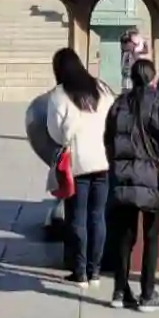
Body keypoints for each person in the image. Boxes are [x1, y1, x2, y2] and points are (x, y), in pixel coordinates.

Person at [103, 57, 159, 312]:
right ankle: (147, 293)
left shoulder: (119, 104)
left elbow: (108, 138)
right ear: (153, 78)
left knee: (124, 235)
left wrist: (117, 162)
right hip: (152, 176)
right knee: (151, 236)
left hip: (124, 176)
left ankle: (120, 290)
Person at [45, 48, 115, 287]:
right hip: (103, 159)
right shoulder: (102, 88)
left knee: (77, 217)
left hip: (78, 162)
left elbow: (54, 132)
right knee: (98, 216)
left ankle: (80, 271)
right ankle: (95, 271)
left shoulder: (59, 94)